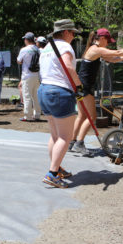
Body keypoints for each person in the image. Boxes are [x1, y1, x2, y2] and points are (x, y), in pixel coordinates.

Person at [70, 29, 123, 155]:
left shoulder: (94, 50)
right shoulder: (95, 49)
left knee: (81, 116)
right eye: (108, 41)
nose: (108, 44)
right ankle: (79, 143)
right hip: (85, 87)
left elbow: (114, 58)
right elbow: (117, 52)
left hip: (81, 86)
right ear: (102, 38)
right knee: (92, 117)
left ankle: (72, 142)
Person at [37, 19, 82, 188]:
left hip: (44, 90)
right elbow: (69, 69)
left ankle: (56, 167)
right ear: (65, 32)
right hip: (59, 91)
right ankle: (53, 173)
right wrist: (79, 86)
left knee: (55, 135)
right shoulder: (64, 46)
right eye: (72, 33)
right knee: (65, 136)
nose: (73, 36)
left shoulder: (47, 48)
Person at [17, 32, 41, 121]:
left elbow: (19, 60)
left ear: (27, 40)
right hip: (37, 75)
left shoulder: (24, 50)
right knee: (36, 96)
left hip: (27, 75)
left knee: (27, 96)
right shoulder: (37, 49)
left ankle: (28, 116)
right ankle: (37, 114)